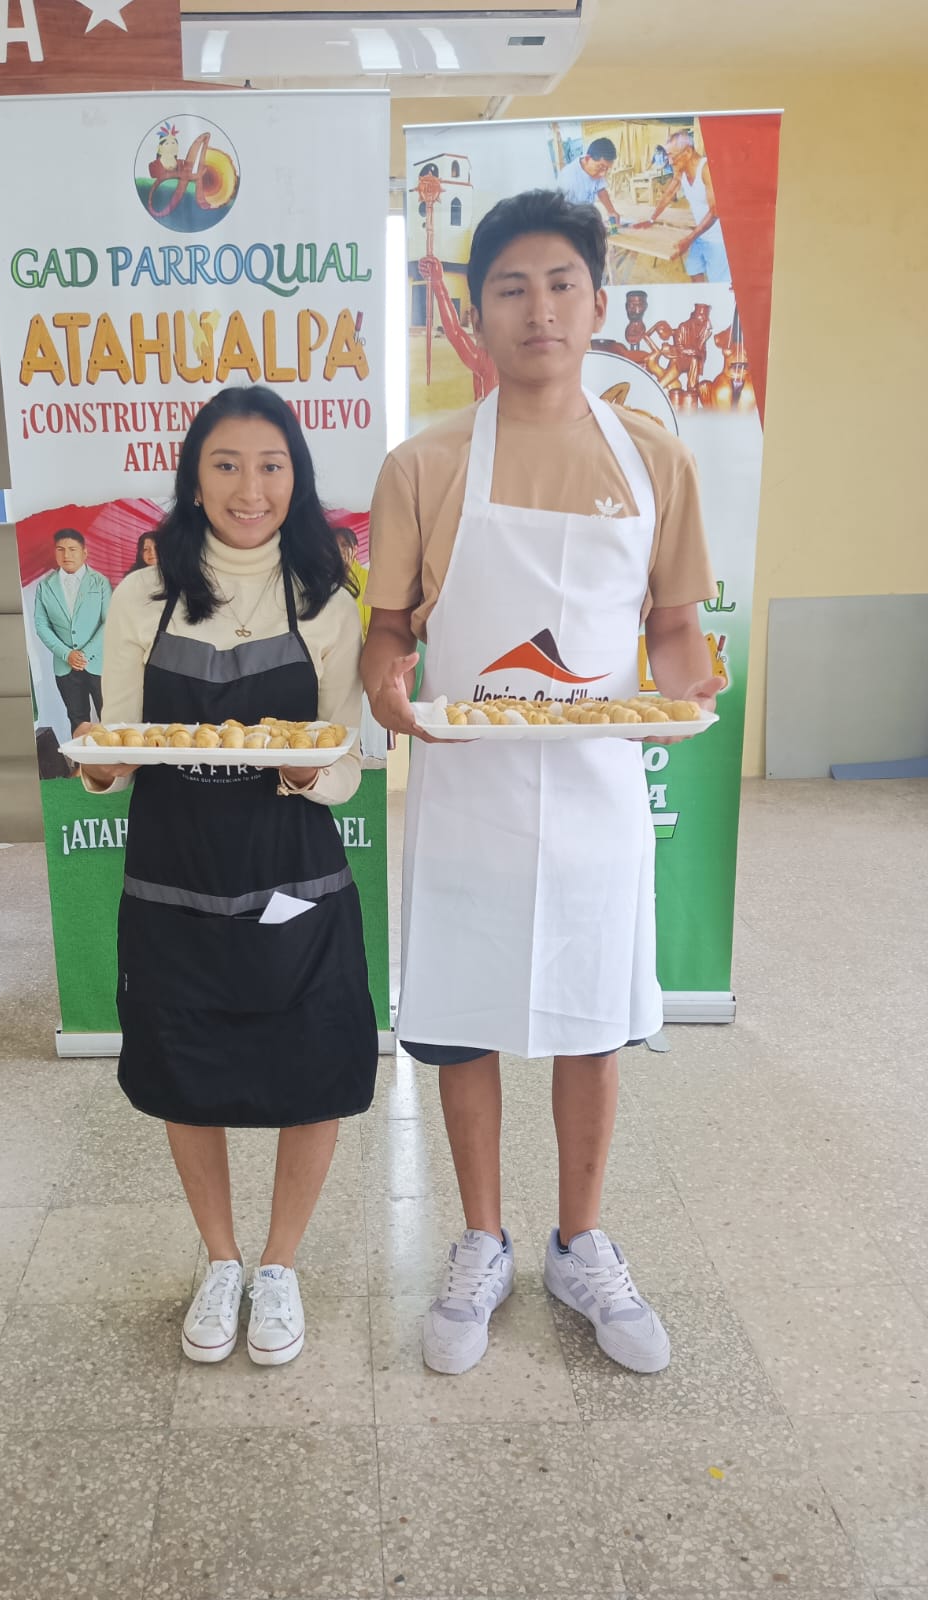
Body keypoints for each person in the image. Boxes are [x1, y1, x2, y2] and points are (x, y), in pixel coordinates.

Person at [362, 189, 720, 1379]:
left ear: (598, 302)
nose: (539, 309)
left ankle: (580, 1240)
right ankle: (481, 1239)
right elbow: (390, 630)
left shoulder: (655, 459)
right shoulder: (424, 464)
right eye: (510, 288)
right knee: (465, 1017)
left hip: (598, 795)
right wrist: (389, 690)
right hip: (468, 792)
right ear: (474, 315)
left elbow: (673, 625)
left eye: (562, 283)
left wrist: (690, 681)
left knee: (589, 1015)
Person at [78, 384, 378, 1369]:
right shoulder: (143, 596)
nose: (252, 488)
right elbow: (122, 741)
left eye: (271, 465)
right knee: (185, 1064)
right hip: (174, 870)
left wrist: (306, 768)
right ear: (195, 479)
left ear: (298, 477)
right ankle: (220, 1259)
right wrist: (99, 764)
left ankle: (279, 1265)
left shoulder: (328, 602)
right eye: (227, 465)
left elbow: (346, 763)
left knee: (314, 1061)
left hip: (294, 869)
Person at [33, 529, 113, 732]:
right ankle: (81, 755)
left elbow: (109, 622)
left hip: (99, 663)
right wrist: (66, 654)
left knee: (110, 718)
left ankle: (112, 754)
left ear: (84, 552)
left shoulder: (100, 582)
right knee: (77, 721)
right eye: (60, 549)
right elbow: (41, 625)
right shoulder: (45, 586)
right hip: (65, 666)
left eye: (72, 549)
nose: (66, 555)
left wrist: (85, 654)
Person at [639, 127, 729, 283]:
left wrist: (689, 239)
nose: (670, 161)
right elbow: (669, 194)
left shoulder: (707, 170)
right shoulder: (681, 169)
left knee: (718, 284)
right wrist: (651, 219)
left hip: (718, 239)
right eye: (668, 156)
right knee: (694, 270)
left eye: (672, 156)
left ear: (687, 152)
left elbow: (715, 211)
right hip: (699, 234)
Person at [556, 137, 621, 229]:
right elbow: (562, 212)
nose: (603, 174)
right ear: (587, 159)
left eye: (607, 169)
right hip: (571, 222)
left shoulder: (596, 169)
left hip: (586, 216)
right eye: (601, 167)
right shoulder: (568, 179)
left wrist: (611, 211)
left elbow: (601, 190)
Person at [335, 525, 371, 640]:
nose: (339, 550)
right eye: (335, 546)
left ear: (355, 550)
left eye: (344, 545)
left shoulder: (369, 578)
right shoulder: (326, 583)